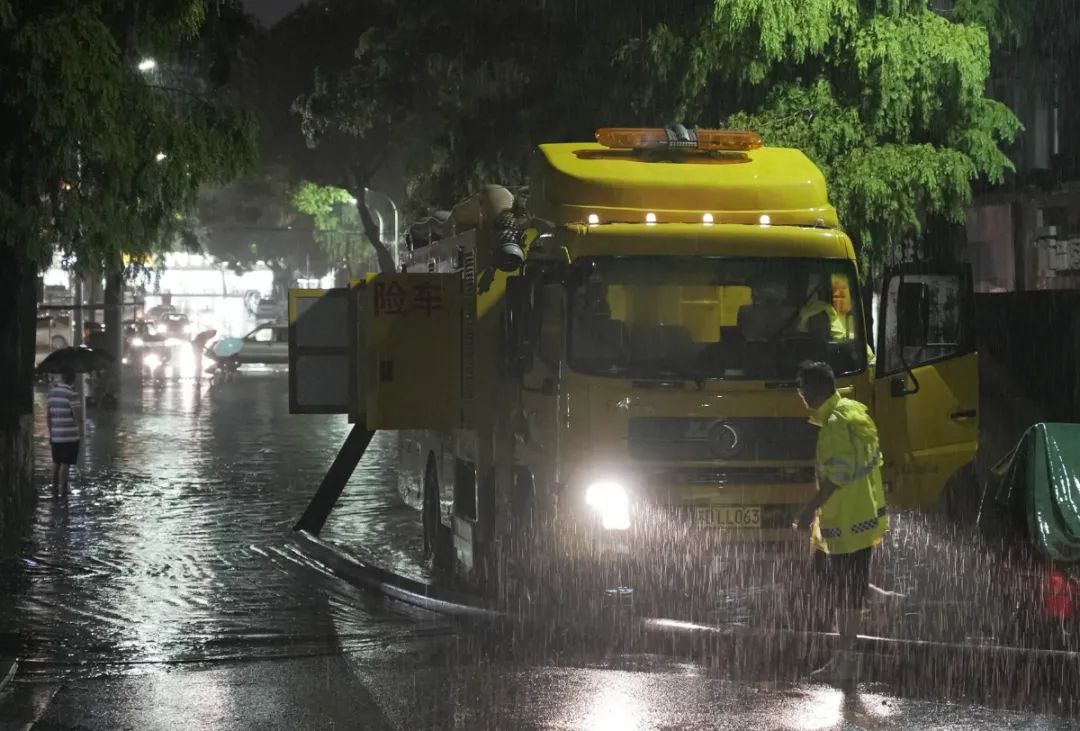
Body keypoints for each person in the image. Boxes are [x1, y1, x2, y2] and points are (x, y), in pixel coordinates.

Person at [792, 361, 889, 682]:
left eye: (801, 387)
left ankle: (846, 663)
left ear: (812, 390)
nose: (800, 395)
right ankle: (875, 598)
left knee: (844, 596)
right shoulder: (853, 411)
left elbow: (837, 477)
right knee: (835, 582)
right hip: (863, 518)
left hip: (846, 525)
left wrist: (807, 511)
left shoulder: (834, 424)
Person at [47, 368, 81, 496]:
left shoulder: (51, 393)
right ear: (72, 379)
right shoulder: (72, 394)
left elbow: (48, 416)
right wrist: (81, 432)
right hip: (70, 436)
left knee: (56, 462)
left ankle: (54, 489)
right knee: (66, 464)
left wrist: (51, 433)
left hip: (56, 435)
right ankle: (64, 491)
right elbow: (77, 416)